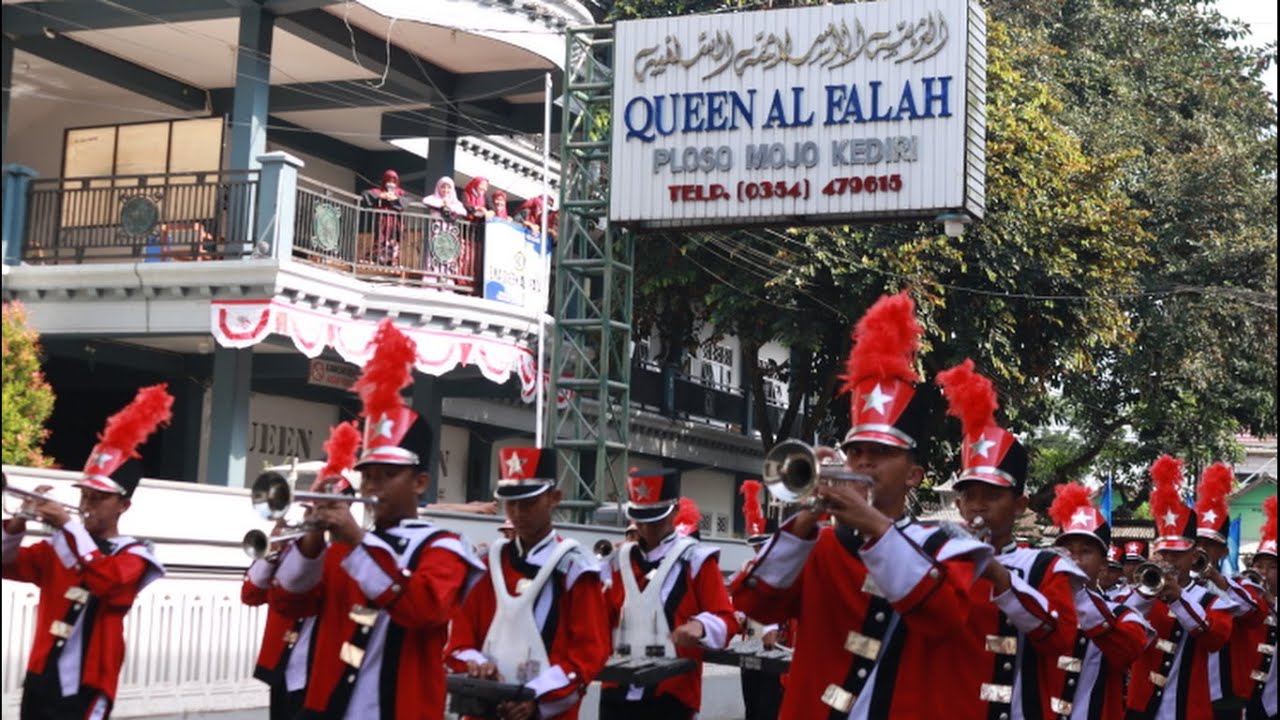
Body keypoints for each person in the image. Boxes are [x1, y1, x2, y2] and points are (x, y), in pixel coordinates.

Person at [731, 291, 993, 719]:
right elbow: (755, 601)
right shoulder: (816, 544)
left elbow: (943, 618)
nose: (865, 461)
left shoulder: (946, 544)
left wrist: (873, 524)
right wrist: (808, 516)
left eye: (881, 452)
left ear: (914, 475)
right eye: (856, 451)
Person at [270, 319, 484, 719]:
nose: (373, 485)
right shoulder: (345, 548)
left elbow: (423, 611)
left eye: (387, 475)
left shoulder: (444, 549)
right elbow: (287, 602)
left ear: (420, 482)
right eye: (367, 474)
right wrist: (311, 544)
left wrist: (357, 541)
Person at [2, 385, 171, 720]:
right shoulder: (61, 546)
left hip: (88, 685)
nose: (86, 505)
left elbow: (108, 583)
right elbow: (6, 563)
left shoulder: (134, 555)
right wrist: (19, 519)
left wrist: (70, 527)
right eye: (84, 496)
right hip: (41, 678)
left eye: (97, 498)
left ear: (124, 505)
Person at [937, 359, 1084, 720]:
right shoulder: (938, 556)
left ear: (1020, 505)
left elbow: (1061, 639)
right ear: (958, 504)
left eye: (992, 495)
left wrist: (998, 576)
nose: (978, 506)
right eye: (969, 495)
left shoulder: (1046, 565)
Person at [446, 446, 611, 720]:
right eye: (511, 504)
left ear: (554, 499)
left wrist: (536, 699)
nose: (518, 513)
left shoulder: (575, 569)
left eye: (529, 503)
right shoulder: (487, 564)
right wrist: (478, 665)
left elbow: (590, 652)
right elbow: (458, 643)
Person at [599, 467, 739, 720]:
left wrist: (700, 626)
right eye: (640, 520)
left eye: (655, 519)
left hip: (671, 695)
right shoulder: (618, 561)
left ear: (674, 512)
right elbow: (601, 621)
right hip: (617, 692)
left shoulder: (696, 559)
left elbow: (727, 620)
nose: (646, 528)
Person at [244, 421, 358, 720]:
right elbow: (251, 594)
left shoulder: (349, 554)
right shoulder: (290, 545)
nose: (313, 512)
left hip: (324, 669)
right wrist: (273, 548)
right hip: (283, 664)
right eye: (310, 506)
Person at [1123, 454, 1236, 720]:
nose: (1169, 559)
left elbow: (1215, 638)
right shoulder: (1140, 593)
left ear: (1194, 556)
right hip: (1140, 708)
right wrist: (1144, 592)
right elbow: (1121, 624)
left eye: (1177, 553)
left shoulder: (1211, 600)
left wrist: (1178, 599)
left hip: (1188, 710)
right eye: (1164, 552)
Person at [1048, 482, 1154, 720]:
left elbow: (1129, 650)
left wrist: (1078, 595)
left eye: (1086, 552)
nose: (1075, 560)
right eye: (1067, 551)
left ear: (1103, 564)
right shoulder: (1036, 602)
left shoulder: (1120, 612)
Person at [1192, 463, 1269, 719]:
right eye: (1197, 543)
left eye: (1209, 545)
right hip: (1179, 693)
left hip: (1222, 697)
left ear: (1224, 551)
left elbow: (1253, 610)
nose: (1201, 550)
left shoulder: (1240, 584)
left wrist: (1213, 575)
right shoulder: (1170, 585)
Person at [732, 480, 783, 720]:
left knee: (769, 707)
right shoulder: (747, 567)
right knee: (751, 706)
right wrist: (739, 615)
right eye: (755, 546)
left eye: (761, 545)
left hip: (776, 648)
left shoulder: (787, 571)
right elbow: (740, 603)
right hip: (750, 644)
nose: (757, 551)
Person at [1244, 495, 1276, 720]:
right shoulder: (1244, 601)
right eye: (1258, 565)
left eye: (1271, 567)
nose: (1263, 572)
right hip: (1248, 695)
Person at [360, 169, 409, 266]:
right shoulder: (379, 191)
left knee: (394, 243)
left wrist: (396, 198)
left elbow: (407, 200)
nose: (391, 183)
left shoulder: (400, 193)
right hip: (383, 222)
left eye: (393, 181)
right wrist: (381, 195)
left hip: (395, 223)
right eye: (389, 180)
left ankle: (393, 261)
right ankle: (379, 261)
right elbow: (365, 194)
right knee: (381, 242)